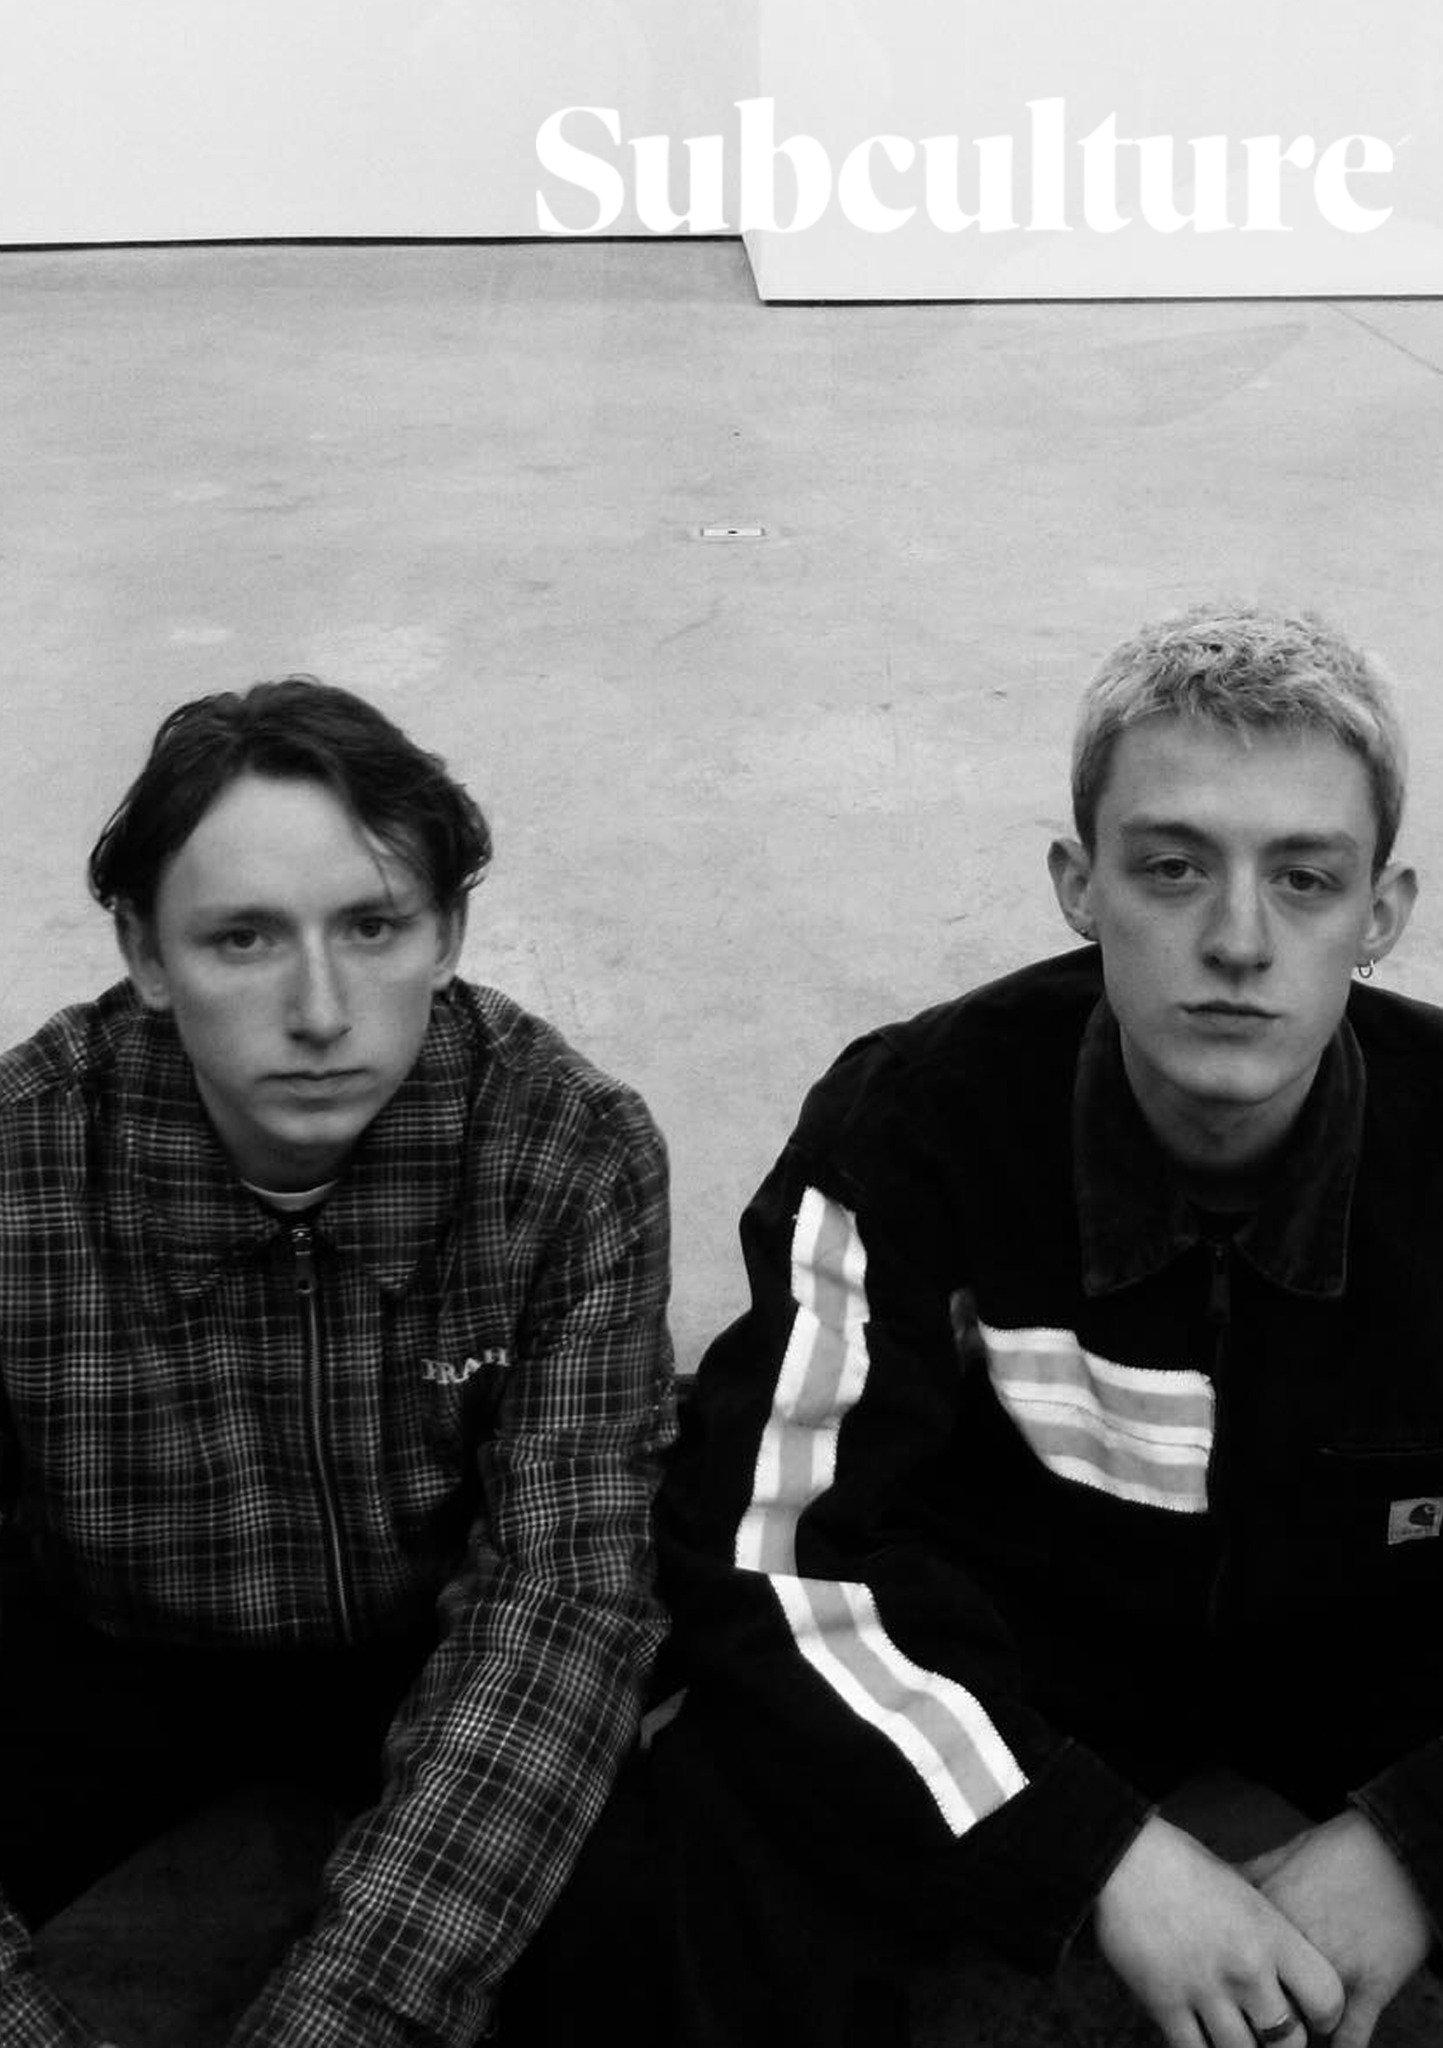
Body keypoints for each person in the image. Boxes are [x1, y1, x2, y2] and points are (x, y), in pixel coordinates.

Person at [657, 604, 1442, 2048]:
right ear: (1080, 885)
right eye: (1172, 868)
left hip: (1384, 1679)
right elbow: (770, 1548)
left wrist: (1419, 1843)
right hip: (1035, 1678)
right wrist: (1088, 1851)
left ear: (1381, 915)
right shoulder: (914, 1129)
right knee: (704, 1814)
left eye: (1305, 879)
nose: (1239, 941)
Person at [0, 677, 674, 2047]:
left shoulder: (566, 1153)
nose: (320, 1010)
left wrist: (343, 2023)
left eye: (373, 928)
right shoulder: (21, 1161)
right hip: (100, 1661)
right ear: (143, 952)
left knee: (667, 1893)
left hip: (433, 1658)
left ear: (449, 935)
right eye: (242, 938)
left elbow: (557, 1603)